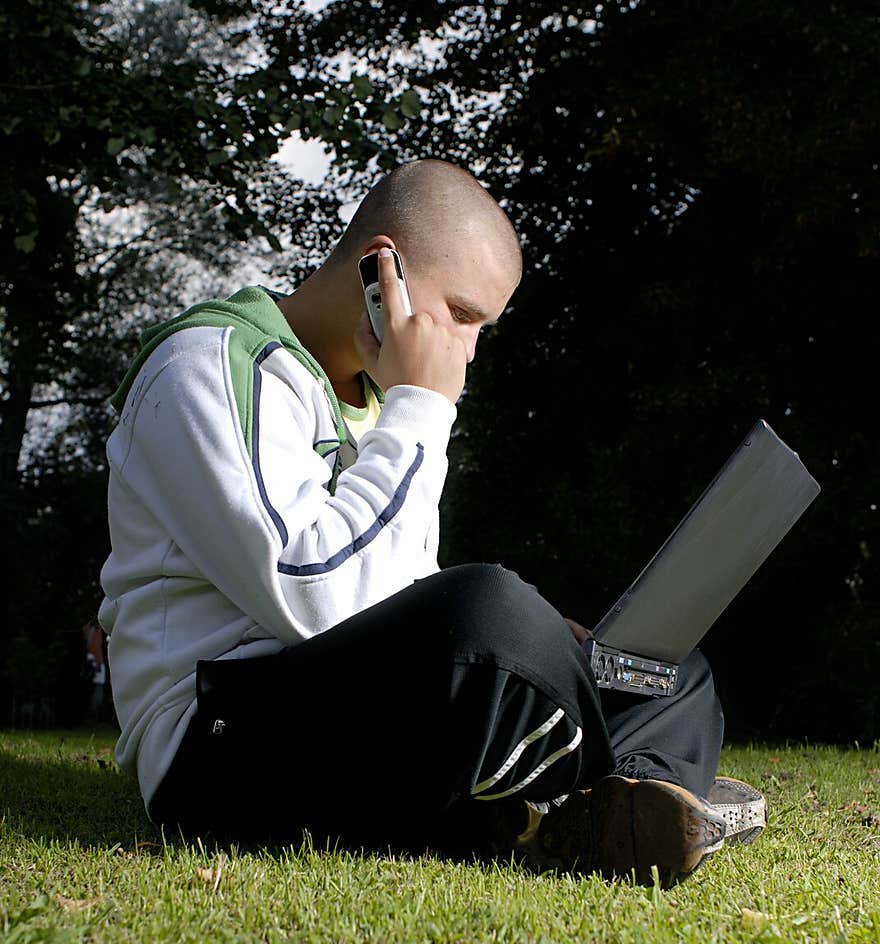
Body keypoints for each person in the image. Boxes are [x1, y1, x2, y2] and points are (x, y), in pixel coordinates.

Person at [98, 159, 765, 887]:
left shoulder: (381, 403)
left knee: (665, 672)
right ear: (378, 269)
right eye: (463, 315)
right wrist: (421, 404)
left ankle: (623, 809)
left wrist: (549, 640)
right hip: (218, 748)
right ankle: (585, 801)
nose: (468, 353)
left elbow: (395, 590)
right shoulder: (208, 365)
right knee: (493, 612)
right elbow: (317, 599)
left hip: (341, 715)